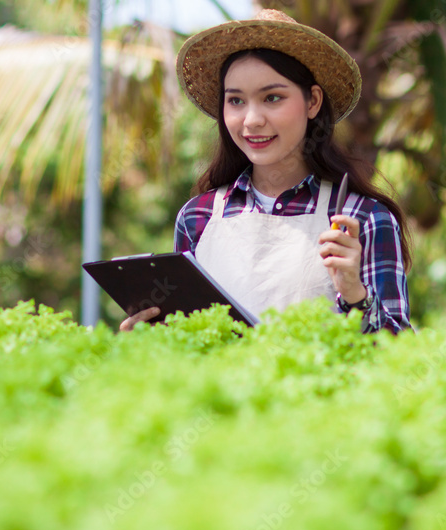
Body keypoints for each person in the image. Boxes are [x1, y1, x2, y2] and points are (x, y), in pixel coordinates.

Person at [120, 9, 411, 334]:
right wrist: (150, 337)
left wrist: (356, 295)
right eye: (236, 101)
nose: (252, 120)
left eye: (272, 97)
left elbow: (398, 354)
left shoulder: (364, 218)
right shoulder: (196, 218)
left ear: (313, 101)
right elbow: (187, 348)